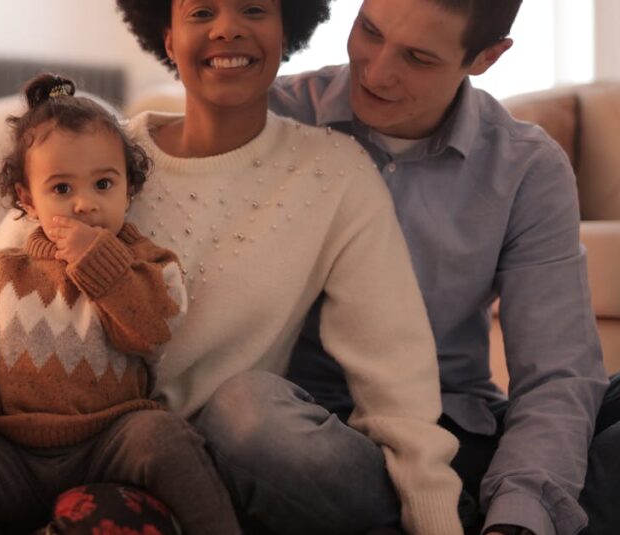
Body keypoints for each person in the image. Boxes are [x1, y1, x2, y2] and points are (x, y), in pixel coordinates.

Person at [0, 0, 466, 533]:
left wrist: (436, 515)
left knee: (248, 411)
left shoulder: (336, 174)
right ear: (167, 35)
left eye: (253, 8)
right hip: (65, 454)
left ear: (285, 26)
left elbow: (396, 376)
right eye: (201, 10)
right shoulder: (94, 158)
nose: (227, 28)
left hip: (212, 457)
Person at [254, 0, 620, 534]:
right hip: (311, 429)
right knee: (246, 415)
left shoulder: (526, 167)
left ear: (487, 58)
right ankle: (454, 514)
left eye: (418, 58)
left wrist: (517, 514)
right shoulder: (270, 118)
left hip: (456, 430)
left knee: (573, 410)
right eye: (369, 31)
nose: (376, 72)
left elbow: (556, 372)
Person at [0, 73, 241, 535]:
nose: (84, 204)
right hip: (15, 449)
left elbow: (151, 330)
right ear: (27, 199)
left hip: (109, 440)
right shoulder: (7, 269)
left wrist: (97, 260)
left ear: (128, 189)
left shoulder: (148, 264)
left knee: (166, 436)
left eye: (103, 184)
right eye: (62, 189)